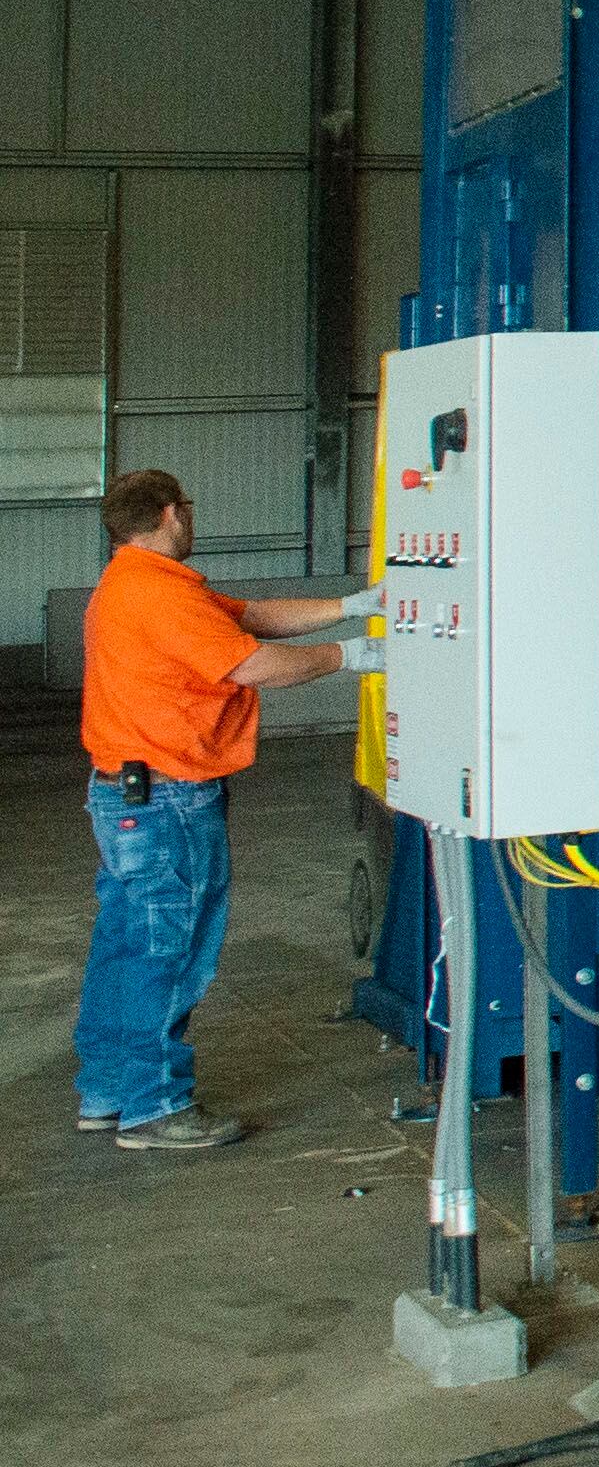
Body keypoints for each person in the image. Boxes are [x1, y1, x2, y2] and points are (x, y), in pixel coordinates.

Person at [75, 469, 364, 1152]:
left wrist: (355, 602)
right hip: (168, 801)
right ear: (173, 513)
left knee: (125, 946)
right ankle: (156, 1108)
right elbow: (252, 663)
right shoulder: (157, 595)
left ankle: (111, 1091)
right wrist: (350, 655)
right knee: (168, 953)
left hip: (126, 795)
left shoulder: (139, 583)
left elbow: (249, 615)